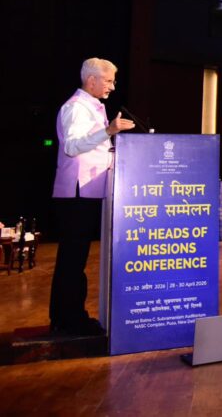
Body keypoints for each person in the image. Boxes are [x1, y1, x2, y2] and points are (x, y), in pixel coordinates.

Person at [50, 58, 135, 335]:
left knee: (77, 258)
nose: (112, 86)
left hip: (88, 190)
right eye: (109, 80)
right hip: (78, 192)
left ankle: (70, 316)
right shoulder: (76, 108)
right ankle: (68, 319)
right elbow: (72, 147)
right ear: (92, 80)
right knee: (72, 260)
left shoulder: (92, 108)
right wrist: (109, 130)